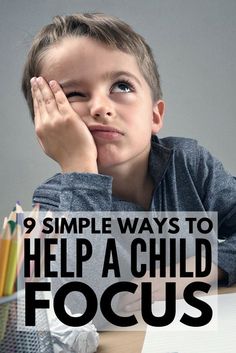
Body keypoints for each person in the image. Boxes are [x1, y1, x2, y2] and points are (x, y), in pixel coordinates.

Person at [21, 13, 236, 317]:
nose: (100, 107)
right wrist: (81, 170)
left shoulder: (189, 164)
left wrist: (200, 270)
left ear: (154, 116)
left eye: (121, 86)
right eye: (74, 94)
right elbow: (81, 306)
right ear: (47, 123)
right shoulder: (54, 203)